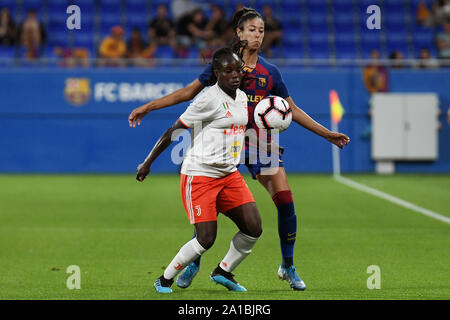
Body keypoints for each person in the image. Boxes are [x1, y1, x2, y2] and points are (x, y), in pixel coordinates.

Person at [128, 7, 350, 291]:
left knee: (285, 200)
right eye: (252, 29)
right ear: (239, 32)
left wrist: (327, 134)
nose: (258, 35)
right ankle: (194, 260)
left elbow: (290, 109)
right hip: (221, 143)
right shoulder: (224, 66)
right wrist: (148, 106)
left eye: (261, 30)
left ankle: (288, 266)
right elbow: (187, 94)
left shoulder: (270, 72)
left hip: (258, 143)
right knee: (209, 203)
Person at [136, 47, 262, 293]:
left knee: (253, 227)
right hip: (201, 175)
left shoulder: (242, 98)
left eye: (238, 70)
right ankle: (164, 279)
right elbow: (174, 130)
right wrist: (148, 162)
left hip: (229, 175)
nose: (235, 75)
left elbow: (238, 134)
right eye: (228, 71)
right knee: (206, 238)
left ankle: (223, 271)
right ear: (216, 73)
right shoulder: (207, 99)